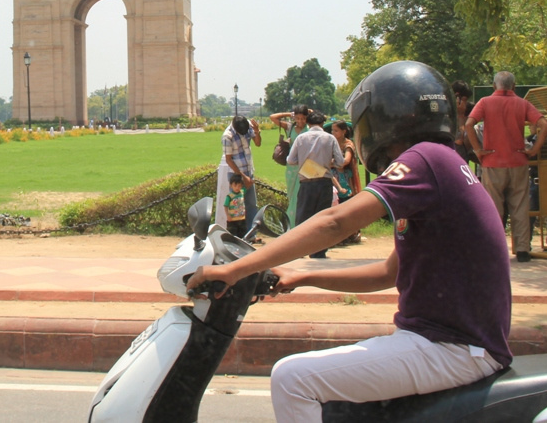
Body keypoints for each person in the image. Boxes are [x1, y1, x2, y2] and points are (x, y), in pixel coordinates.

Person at [187, 60, 512, 423]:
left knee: (293, 379)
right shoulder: (442, 162)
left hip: (453, 347)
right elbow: (389, 273)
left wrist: (236, 268)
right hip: (449, 342)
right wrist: (302, 276)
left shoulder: (425, 159)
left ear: (393, 117)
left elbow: (335, 221)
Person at [465, 71, 547, 262]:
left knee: (494, 208)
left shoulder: (485, 102)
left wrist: (478, 150)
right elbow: (545, 125)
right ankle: (522, 250)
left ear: (494, 86)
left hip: (493, 162)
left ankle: (493, 249)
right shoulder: (522, 103)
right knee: (520, 206)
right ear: (514, 86)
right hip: (518, 161)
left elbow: (469, 124)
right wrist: (534, 149)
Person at [286, 110, 343, 258]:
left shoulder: (300, 138)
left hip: (306, 182)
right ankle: (318, 250)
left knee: (303, 216)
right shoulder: (330, 138)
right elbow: (340, 162)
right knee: (322, 218)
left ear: (308, 123)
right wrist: (327, 163)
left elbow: (290, 160)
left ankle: (300, 249)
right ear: (323, 123)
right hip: (324, 182)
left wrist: (305, 162)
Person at [269, 105, 310, 227]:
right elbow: (273, 117)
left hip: (306, 165)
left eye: (303, 118)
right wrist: (288, 114)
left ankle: (298, 223)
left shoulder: (310, 128)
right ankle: (291, 223)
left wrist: (310, 112)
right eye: (297, 118)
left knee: (301, 195)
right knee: (292, 196)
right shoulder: (290, 127)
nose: (300, 121)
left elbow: (322, 118)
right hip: (292, 167)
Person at [222, 115, 262, 228]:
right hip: (236, 176)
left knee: (252, 205)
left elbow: (258, 143)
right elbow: (229, 160)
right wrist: (243, 177)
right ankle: (237, 235)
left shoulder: (248, 126)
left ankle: (251, 234)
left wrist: (257, 132)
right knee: (236, 207)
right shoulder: (227, 136)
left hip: (249, 170)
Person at [331, 119, 362, 244]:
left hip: (346, 180)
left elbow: (345, 162)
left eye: (336, 130)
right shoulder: (332, 143)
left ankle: (351, 233)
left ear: (344, 131)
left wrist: (332, 163)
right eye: (332, 130)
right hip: (333, 179)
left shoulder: (348, 144)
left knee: (347, 206)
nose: (333, 133)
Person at [224, 173, 248, 238]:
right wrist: (228, 215)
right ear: (231, 185)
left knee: (242, 234)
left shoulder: (242, 192)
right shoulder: (229, 196)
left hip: (242, 218)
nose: (237, 188)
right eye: (235, 185)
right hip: (232, 219)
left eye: (239, 186)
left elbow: (248, 184)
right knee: (232, 235)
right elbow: (225, 206)